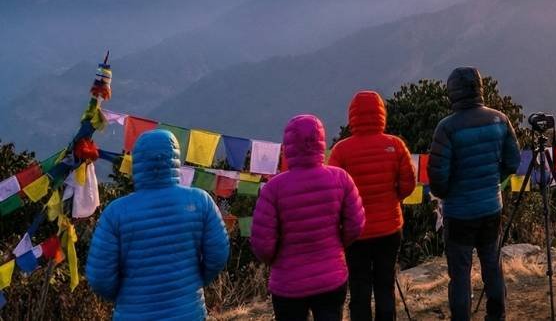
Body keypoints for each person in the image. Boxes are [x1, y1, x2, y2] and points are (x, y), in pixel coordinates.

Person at [87, 129, 230, 320]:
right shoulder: (200, 201)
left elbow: (99, 276)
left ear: (137, 163)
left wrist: (126, 296)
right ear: (175, 159)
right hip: (188, 312)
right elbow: (219, 253)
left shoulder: (116, 213)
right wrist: (194, 281)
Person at [428, 67, 521, 321]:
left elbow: (437, 180)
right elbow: (513, 162)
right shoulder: (500, 120)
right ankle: (497, 316)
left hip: (459, 214)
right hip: (492, 207)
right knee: (492, 266)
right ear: (480, 88)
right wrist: (492, 181)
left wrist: (451, 193)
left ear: (452, 92)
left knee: (460, 275)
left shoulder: (446, 128)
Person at [252, 114, 366, 321]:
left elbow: (262, 245)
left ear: (288, 146)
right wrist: (338, 245)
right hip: (331, 277)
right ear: (321, 142)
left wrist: (277, 260)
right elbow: (356, 224)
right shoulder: (340, 178)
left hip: (288, 283)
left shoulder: (273, 189)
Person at [329, 91, 418, 321]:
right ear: (381, 114)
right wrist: (392, 197)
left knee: (359, 288)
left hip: (355, 233)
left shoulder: (341, 150)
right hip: (389, 229)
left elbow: (333, 193)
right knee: (385, 285)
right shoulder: (395, 145)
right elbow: (409, 184)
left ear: (352, 116)